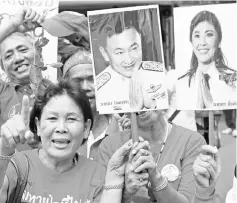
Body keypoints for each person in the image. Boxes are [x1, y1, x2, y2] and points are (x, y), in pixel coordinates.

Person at [0, 78, 137, 203]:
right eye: (52, 118)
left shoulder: (98, 175)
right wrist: (4, 149)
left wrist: (116, 179)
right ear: (38, 125)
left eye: (71, 119)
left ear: (86, 128)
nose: (61, 128)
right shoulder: (17, 166)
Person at [98, 109, 206, 203]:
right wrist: (126, 193)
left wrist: (157, 179)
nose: (142, 104)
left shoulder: (191, 141)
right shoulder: (110, 146)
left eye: (148, 89)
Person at [90, 11, 168, 113]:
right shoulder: (99, 90)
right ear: (104, 53)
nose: (129, 60)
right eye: (119, 52)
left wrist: (153, 105)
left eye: (134, 48)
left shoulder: (160, 73)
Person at [62, 49, 130, 160]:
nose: (85, 87)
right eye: (77, 81)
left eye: (92, 79)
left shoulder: (123, 129)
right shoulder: (59, 132)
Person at [0, 7, 46, 150]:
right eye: (8, 56)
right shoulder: (2, 92)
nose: (18, 58)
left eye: (23, 50)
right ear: (2, 67)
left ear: (39, 52)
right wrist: (12, 25)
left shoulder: (59, 90)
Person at [177, 10, 237, 110]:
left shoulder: (234, 80)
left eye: (209, 35)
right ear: (191, 42)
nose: (202, 42)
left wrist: (211, 105)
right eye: (197, 36)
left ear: (219, 41)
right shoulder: (181, 84)